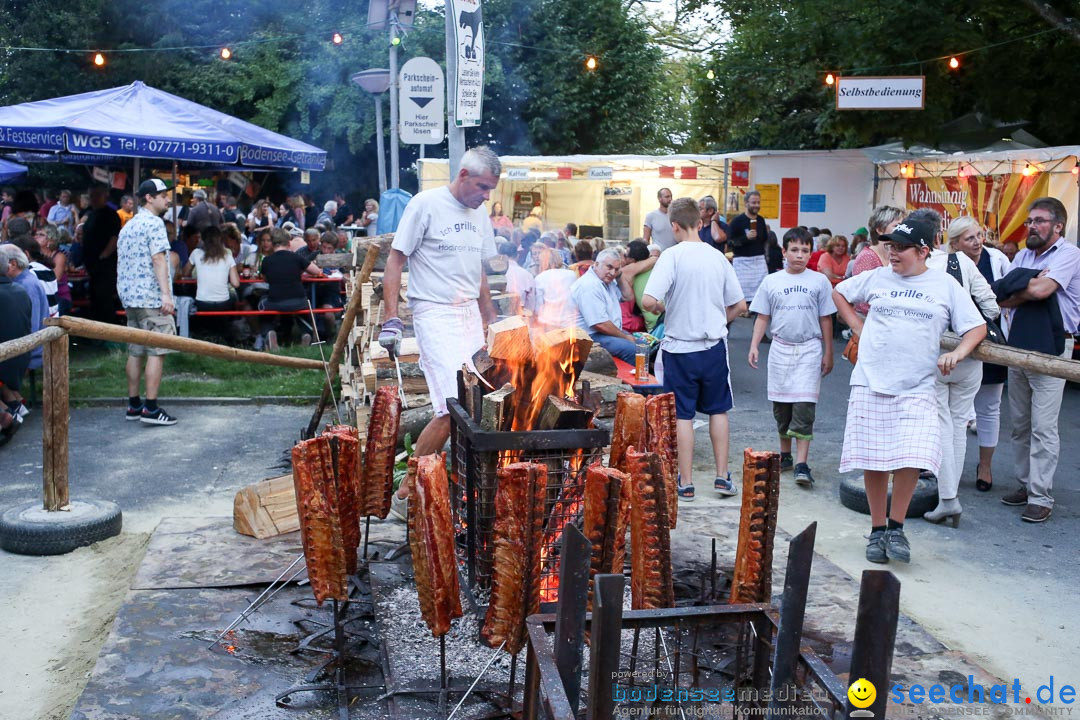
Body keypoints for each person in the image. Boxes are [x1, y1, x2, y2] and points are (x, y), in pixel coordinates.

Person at [833, 218, 986, 564]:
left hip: (918, 385)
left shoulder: (944, 284)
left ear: (923, 251)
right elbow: (839, 292)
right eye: (890, 246)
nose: (892, 253)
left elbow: (976, 326)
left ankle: (897, 527)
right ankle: (876, 531)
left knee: (911, 458)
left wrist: (958, 353)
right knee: (874, 459)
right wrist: (857, 325)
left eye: (900, 248)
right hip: (871, 379)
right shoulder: (877, 276)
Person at [380, 146, 501, 520]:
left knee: (481, 404)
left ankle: (460, 487)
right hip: (433, 312)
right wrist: (391, 318)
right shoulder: (425, 204)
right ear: (463, 175)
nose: (486, 196)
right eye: (482, 187)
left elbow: (480, 271)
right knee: (451, 406)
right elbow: (396, 259)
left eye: (490, 189)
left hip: (467, 314)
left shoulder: (479, 215)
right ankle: (406, 492)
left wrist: (490, 316)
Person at [642, 198, 746, 499]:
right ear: (700, 223)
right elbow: (739, 304)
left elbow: (649, 301)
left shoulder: (672, 257)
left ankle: (685, 482)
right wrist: (718, 322)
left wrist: (665, 306)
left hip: (679, 349)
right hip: (713, 346)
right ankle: (722, 477)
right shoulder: (717, 257)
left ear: (674, 226)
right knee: (718, 410)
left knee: (683, 416)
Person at [997, 197, 1080, 523]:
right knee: (1019, 423)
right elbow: (1000, 294)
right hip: (1019, 345)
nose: (1031, 226)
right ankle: (1025, 484)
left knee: (1044, 427)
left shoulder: (1070, 254)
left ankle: (1041, 496)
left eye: (1039, 221)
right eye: (1030, 220)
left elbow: (1043, 291)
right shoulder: (1023, 254)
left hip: (1053, 345)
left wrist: (1021, 284)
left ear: (1058, 226)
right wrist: (1026, 283)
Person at [918, 210, 999, 526]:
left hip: (935, 352)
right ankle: (948, 495)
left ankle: (948, 497)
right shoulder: (963, 263)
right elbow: (991, 306)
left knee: (941, 423)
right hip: (969, 351)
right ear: (941, 237)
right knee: (959, 422)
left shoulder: (916, 265)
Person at [747, 227, 836, 487]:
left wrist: (828, 351)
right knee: (782, 407)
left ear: (811, 253)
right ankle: (785, 455)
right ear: (784, 252)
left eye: (805, 251)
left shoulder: (819, 281)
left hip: (809, 349)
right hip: (780, 350)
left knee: (804, 407)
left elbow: (825, 319)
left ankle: (802, 463)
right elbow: (762, 316)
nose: (799, 255)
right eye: (794, 250)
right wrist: (754, 345)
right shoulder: (771, 282)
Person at [950, 216, 1010, 493]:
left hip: (989, 339)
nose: (977, 242)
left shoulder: (996, 259)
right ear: (955, 243)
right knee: (954, 409)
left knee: (989, 407)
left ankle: (984, 466)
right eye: (969, 238)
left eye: (979, 235)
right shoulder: (945, 262)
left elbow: (1006, 295)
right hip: (954, 341)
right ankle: (950, 465)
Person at [116, 178, 180, 426]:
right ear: (149, 198)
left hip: (130, 297)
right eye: (163, 195)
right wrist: (166, 295)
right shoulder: (154, 224)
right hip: (152, 297)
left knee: (136, 350)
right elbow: (159, 259)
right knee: (157, 350)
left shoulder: (129, 226)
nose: (168, 199)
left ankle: (134, 405)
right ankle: (151, 408)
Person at [258, 228, 324, 349]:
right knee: (305, 308)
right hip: (298, 301)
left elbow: (264, 278)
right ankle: (306, 333)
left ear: (272, 244)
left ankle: (269, 332)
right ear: (289, 243)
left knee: (261, 305)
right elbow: (317, 271)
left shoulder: (267, 260)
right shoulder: (297, 258)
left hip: (275, 302)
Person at [572, 248, 638, 363]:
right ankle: (628, 380)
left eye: (616, 269)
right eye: (609, 267)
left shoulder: (607, 281)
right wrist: (625, 337)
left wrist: (620, 276)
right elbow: (599, 324)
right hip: (587, 337)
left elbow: (628, 297)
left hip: (602, 333)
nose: (613, 273)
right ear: (596, 264)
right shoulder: (589, 285)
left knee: (642, 344)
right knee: (633, 349)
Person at [0, 249, 32, 442]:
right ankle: (12, 405)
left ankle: (6, 415)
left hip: (5, 361)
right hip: (22, 357)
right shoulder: (20, 290)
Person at [850, 206, 905, 313]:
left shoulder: (895, 254)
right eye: (897, 226)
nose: (902, 230)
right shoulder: (867, 257)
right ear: (880, 230)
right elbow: (861, 299)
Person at [3, 244, 49, 374]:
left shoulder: (26, 286)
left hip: (31, 353)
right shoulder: (25, 280)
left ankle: (12, 394)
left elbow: (31, 328)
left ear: (12, 264)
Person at [82, 184, 122, 324]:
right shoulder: (91, 213)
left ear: (105, 196)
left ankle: (106, 330)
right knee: (94, 298)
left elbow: (114, 238)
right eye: (91, 196)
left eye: (96, 196)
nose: (93, 199)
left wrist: (103, 256)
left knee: (104, 298)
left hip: (105, 265)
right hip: (92, 264)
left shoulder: (111, 215)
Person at [183, 225, 239, 313]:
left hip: (202, 302)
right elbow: (236, 283)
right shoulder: (227, 256)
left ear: (203, 240)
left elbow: (185, 273)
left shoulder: (196, 253)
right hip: (223, 302)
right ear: (221, 240)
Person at [726, 189, 769, 302]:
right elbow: (730, 242)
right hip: (742, 261)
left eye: (758, 202)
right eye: (754, 202)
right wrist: (746, 238)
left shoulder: (760, 220)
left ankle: (757, 310)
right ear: (746, 203)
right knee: (741, 291)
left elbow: (765, 239)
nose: (757, 205)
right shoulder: (737, 221)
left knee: (761, 290)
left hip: (759, 260)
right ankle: (743, 310)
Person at [534, 248, 579, 331]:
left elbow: (538, 307)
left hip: (548, 323)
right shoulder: (572, 275)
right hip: (570, 322)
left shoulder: (540, 278)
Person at [621, 240, 660, 333]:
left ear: (633, 261)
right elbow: (654, 259)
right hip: (663, 318)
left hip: (653, 326)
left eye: (625, 255)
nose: (623, 257)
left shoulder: (627, 272)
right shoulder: (657, 269)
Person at [499, 241, 535, 314]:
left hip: (496, 318)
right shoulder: (527, 275)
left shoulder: (491, 274)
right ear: (517, 256)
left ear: (499, 256)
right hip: (520, 317)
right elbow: (530, 304)